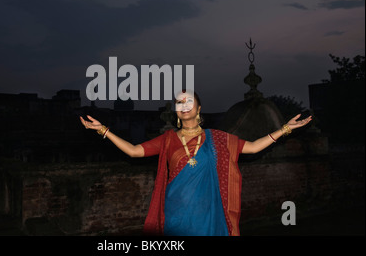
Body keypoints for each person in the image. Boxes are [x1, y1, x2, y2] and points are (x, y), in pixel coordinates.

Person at [79, 90, 312, 236]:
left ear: (198, 108)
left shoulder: (218, 138)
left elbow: (251, 147)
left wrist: (285, 129)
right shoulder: (168, 139)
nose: (184, 104)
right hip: (176, 213)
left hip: (208, 214)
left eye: (189, 101)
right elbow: (133, 151)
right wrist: (104, 130)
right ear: (176, 112)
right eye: (179, 103)